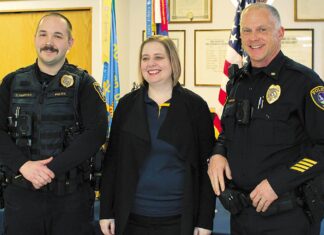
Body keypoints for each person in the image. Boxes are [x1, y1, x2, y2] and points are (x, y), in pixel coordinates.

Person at [208, 3, 324, 235]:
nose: (253, 38)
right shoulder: (237, 83)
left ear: (280, 33)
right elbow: (228, 133)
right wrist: (218, 152)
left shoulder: (304, 82)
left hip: (287, 215)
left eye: (262, 29)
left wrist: (277, 183)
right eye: (247, 31)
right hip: (242, 215)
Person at [0, 13, 107, 235]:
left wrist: (49, 170)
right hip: (22, 198)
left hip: (71, 201)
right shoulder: (11, 83)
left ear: (70, 43)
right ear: (35, 39)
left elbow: (96, 134)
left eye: (58, 36)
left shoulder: (84, 84)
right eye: (43, 34)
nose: (49, 42)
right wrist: (24, 166)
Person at [99, 35, 216, 235]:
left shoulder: (196, 107)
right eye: (145, 58)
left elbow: (207, 167)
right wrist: (105, 212)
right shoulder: (126, 106)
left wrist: (205, 221)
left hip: (178, 219)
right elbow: (112, 163)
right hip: (131, 217)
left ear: (173, 61)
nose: (151, 63)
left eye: (158, 57)